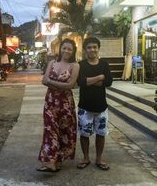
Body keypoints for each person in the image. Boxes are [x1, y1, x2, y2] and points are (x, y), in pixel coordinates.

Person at [37, 39, 80, 172]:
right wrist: (58, 84)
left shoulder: (75, 66)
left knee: (64, 131)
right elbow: (44, 80)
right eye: (64, 48)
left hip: (66, 103)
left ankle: (58, 160)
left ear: (73, 52)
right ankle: (50, 161)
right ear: (60, 49)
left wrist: (51, 82)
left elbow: (71, 85)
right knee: (50, 130)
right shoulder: (52, 63)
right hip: (50, 102)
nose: (66, 51)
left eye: (69, 49)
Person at [77, 37, 113, 170]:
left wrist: (89, 81)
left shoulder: (104, 64)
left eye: (94, 47)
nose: (92, 49)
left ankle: (99, 159)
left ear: (98, 48)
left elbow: (109, 81)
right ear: (85, 50)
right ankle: (86, 158)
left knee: (101, 134)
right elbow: (80, 82)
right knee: (84, 134)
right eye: (89, 47)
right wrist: (100, 77)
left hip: (101, 107)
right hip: (84, 107)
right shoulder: (81, 65)